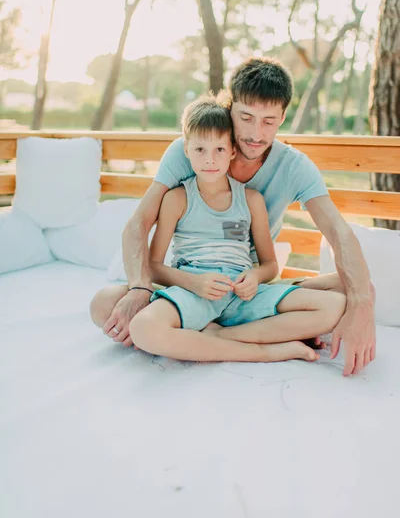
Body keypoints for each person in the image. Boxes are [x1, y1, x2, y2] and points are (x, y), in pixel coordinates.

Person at [90, 57, 375, 375]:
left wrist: (362, 306)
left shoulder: (293, 167)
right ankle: (243, 339)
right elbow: (138, 224)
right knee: (105, 304)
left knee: (350, 286)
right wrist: (140, 288)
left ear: (282, 117)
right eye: (246, 118)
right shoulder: (196, 150)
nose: (256, 133)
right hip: (194, 283)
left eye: (269, 121)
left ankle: (214, 336)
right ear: (230, 108)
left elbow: (337, 231)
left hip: (245, 286)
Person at [125, 95, 347, 363]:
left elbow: (269, 266)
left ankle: (218, 337)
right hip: (193, 292)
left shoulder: (251, 200)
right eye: (199, 150)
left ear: (232, 151)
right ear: (186, 150)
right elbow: (154, 265)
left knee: (334, 304)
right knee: (142, 327)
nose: (209, 160)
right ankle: (264, 350)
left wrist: (254, 278)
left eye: (219, 150)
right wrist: (194, 282)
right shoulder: (176, 199)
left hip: (241, 294)